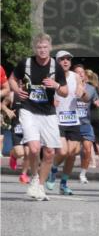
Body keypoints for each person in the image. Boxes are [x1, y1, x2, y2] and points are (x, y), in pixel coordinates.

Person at [10, 33, 68, 201]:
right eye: (39, 47)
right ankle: (35, 177)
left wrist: (56, 85)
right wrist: (15, 89)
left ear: (50, 48)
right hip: (28, 109)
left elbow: (65, 92)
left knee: (50, 152)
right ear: (35, 48)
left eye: (45, 47)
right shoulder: (26, 63)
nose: (42, 50)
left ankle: (40, 186)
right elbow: (13, 79)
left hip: (48, 112)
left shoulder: (56, 67)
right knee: (34, 148)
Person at [47, 50, 85, 195]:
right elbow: (42, 93)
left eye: (68, 59)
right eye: (62, 59)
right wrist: (51, 100)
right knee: (63, 151)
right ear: (57, 62)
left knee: (73, 153)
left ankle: (63, 184)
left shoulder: (75, 76)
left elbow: (81, 88)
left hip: (73, 119)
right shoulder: (51, 76)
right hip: (57, 118)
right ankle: (53, 168)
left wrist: (81, 92)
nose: (66, 61)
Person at [71, 64, 99, 184]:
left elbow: (96, 100)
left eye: (82, 72)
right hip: (72, 123)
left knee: (87, 149)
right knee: (73, 151)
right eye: (77, 72)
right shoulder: (69, 87)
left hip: (86, 123)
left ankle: (83, 174)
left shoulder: (91, 89)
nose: (80, 74)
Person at [85, 69, 99, 170]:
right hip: (95, 115)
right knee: (98, 139)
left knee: (90, 139)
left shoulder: (85, 88)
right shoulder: (96, 88)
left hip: (87, 115)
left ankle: (93, 161)